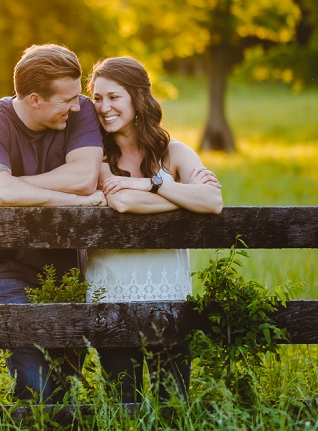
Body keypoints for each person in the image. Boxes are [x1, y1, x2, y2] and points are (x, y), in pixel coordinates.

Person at [0, 43, 106, 403]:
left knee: (66, 386)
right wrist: (70, 200)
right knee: (35, 389)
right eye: (67, 100)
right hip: (9, 266)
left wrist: (8, 187)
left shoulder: (81, 111)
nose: (78, 105)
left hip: (68, 269)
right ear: (34, 99)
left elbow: (84, 178)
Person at [86, 56, 223, 403]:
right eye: (97, 98)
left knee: (173, 404)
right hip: (111, 290)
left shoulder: (174, 151)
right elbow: (123, 204)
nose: (104, 107)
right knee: (123, 406)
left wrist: (151, 185)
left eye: (114, 97)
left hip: (168, 291)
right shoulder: (95, 155)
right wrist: (180, 193)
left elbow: (212, 201)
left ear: (138, 97)